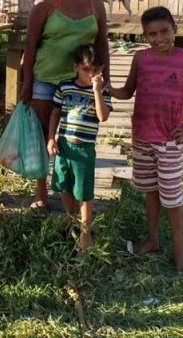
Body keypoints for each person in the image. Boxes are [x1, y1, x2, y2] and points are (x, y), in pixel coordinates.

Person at [110, 6, 183, 272]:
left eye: (164, 31)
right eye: (152, 34)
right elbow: (126, 91)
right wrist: (106, 87)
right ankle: (153, 239)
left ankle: (179, 252)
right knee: (150, 191)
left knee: (173, 198)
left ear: (174, 29)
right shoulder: (140, 59)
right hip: (142, 138)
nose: (159, 39)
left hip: (169, 141)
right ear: (145, 36)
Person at [19, 0, 109, 209]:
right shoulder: (47, 0)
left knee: (73, 137)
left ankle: (69, 190)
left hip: (79, 84)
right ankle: (41, 193)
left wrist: (106, 80)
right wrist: (26, 83)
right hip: (45, 80)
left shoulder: (96, 4)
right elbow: (30, 44)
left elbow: (102, 43)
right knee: (40, 136)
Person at [47, 45, 112, 250]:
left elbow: (103, 116)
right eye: (87, 70)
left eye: (96, 71)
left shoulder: (102, 90)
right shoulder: (64, 87)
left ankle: (85, 231)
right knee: (62, 184)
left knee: (83, 191)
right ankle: (70, 215)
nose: (91, 75)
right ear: (76, 67)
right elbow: (55, 113)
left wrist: (97, 91)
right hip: (64, 145)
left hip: (84, 148)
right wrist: (51, 137)